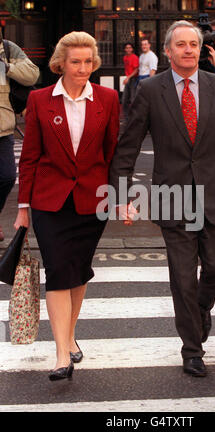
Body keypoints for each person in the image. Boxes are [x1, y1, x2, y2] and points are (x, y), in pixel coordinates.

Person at [109, 21, 215, 377]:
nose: (189, 50)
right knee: (182, 277)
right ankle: (192, 348)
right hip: (172, 197)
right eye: (181, 45)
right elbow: (127, 147)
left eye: (194, 44)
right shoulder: (150, 89)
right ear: (168, 51)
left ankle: (201, 309)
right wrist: (120, 195)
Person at [14, 31, 120, 381]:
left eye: (89, 62)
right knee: (58, 271)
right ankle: (61, 354)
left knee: (77, 271)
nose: (83, 68)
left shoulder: (108, 98)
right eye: (76, 62)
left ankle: (70, 334)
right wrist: (23, 208)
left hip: (93, 200)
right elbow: (29, 158)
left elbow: (112, 154)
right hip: (50, 201)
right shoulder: (40, 100)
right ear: (60, 63)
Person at [0, 30, 39, 241]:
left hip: (3, 127)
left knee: (6, 177)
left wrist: (6, 67)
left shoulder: (7, 49)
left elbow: (32, 74)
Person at [122, 42, 139, 122]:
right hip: (128, 79)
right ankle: (126, 118)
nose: (128, 49)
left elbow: (136, 70)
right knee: (124, 99)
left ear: (132, 49)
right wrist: (127, 77)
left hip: (133, 79)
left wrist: (128, 77)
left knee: (133, 99)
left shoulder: (135, 57)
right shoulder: (125, 57)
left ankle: (134, 117)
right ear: (125, 49)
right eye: (127, 48)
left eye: (130, 48)